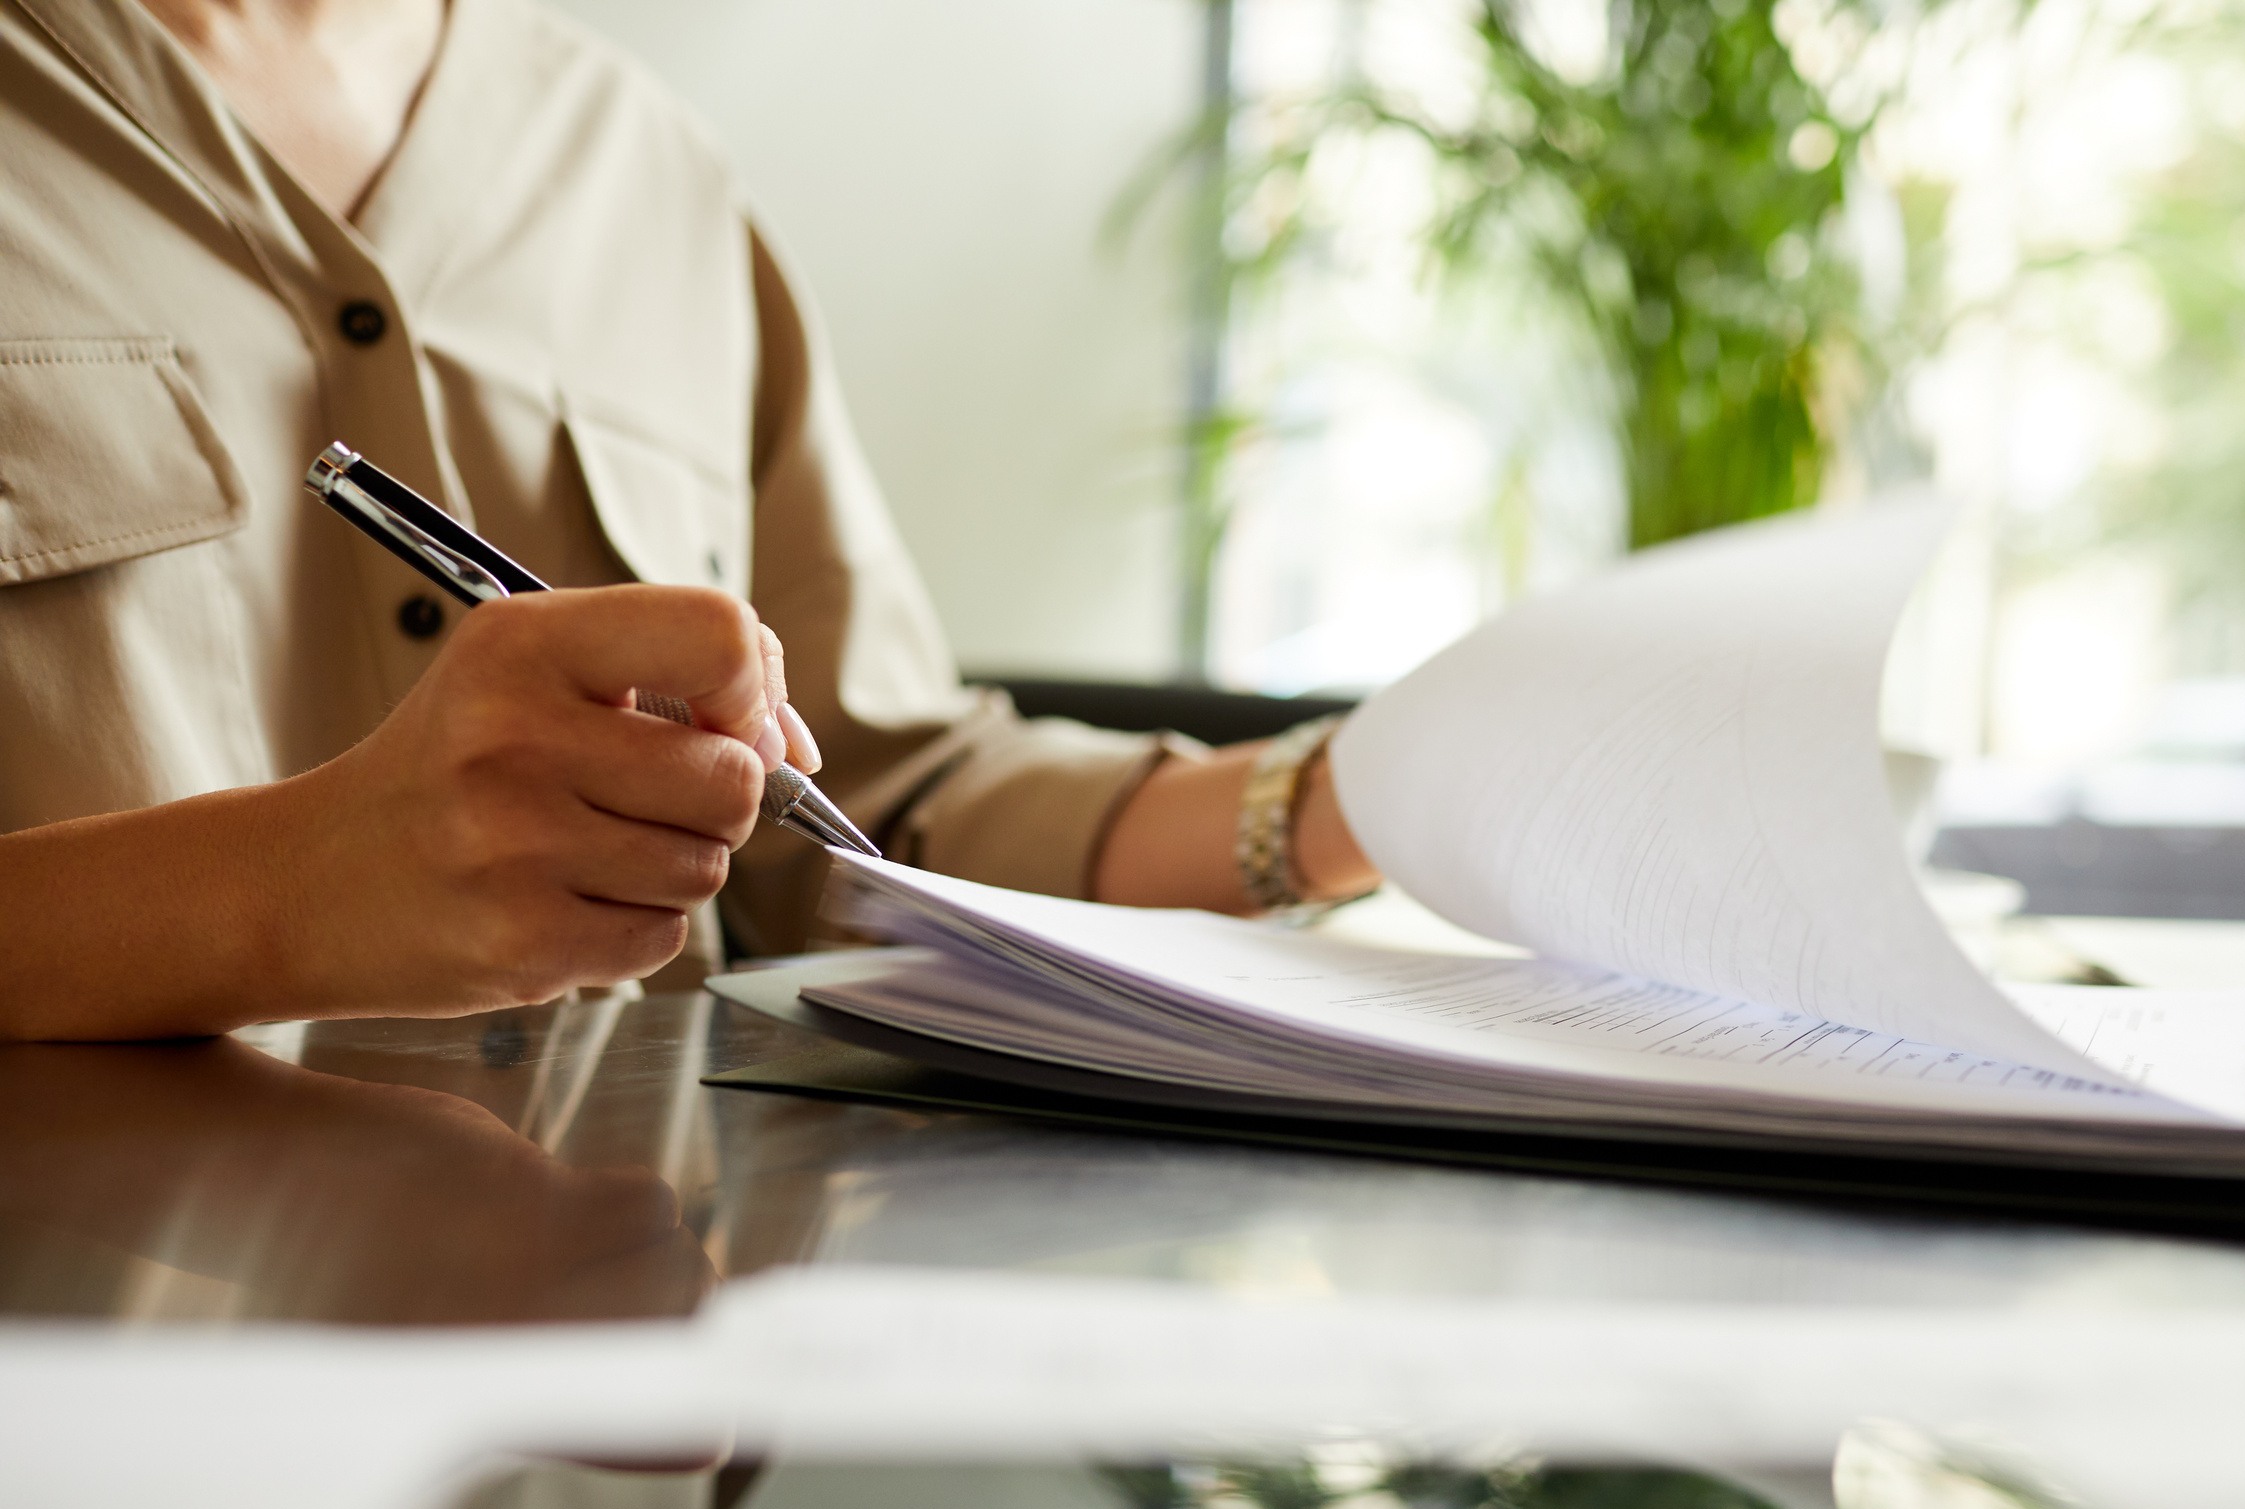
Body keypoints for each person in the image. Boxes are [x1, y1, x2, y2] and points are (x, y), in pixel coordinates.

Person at [0, 0, 1378, 1042]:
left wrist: (1362, 798)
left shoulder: (644, 168)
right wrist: (283, 890)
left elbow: (869, 814)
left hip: (637, 1344)